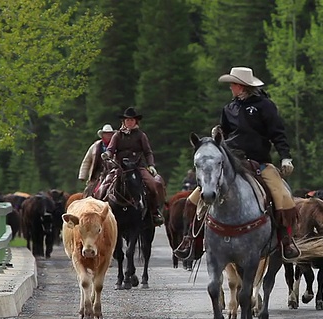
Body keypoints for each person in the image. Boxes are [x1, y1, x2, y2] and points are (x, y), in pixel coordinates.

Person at [174, 66, 300, 261]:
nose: (231, 88)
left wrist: (285, 157)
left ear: (242, 86)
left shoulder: (265, 106)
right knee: (192, 200)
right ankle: (189, 239)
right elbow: (224, 132)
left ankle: (285, 239)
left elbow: (278, 133)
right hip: (231, 161)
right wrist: (218, 132)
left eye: (233, 84)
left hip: (259, 162)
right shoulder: (229, 108)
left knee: (283, 196)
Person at [101, 107, 166, 226]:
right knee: (104, 186)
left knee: (153, 184)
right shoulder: (117, 136)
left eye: (132, 120)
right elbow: (111, 149)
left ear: (136, 122)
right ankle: (100, 212)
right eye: (127, 120)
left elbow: (148, 152)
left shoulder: (141, 135)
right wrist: (107, 154)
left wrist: (151, 165)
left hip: (138, 167)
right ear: (124, 122)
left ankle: (154, 211)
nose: (129, 122)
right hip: (120, 168)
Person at [78, 124, 116, 195]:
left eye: (110, 134)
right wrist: (82, 176)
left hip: (113, 174)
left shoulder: (116, 146)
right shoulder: (94, 147)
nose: (108, 135)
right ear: (102, 135)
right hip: (97, 174)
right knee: (89, 191)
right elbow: (87, 161)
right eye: (106, 134)